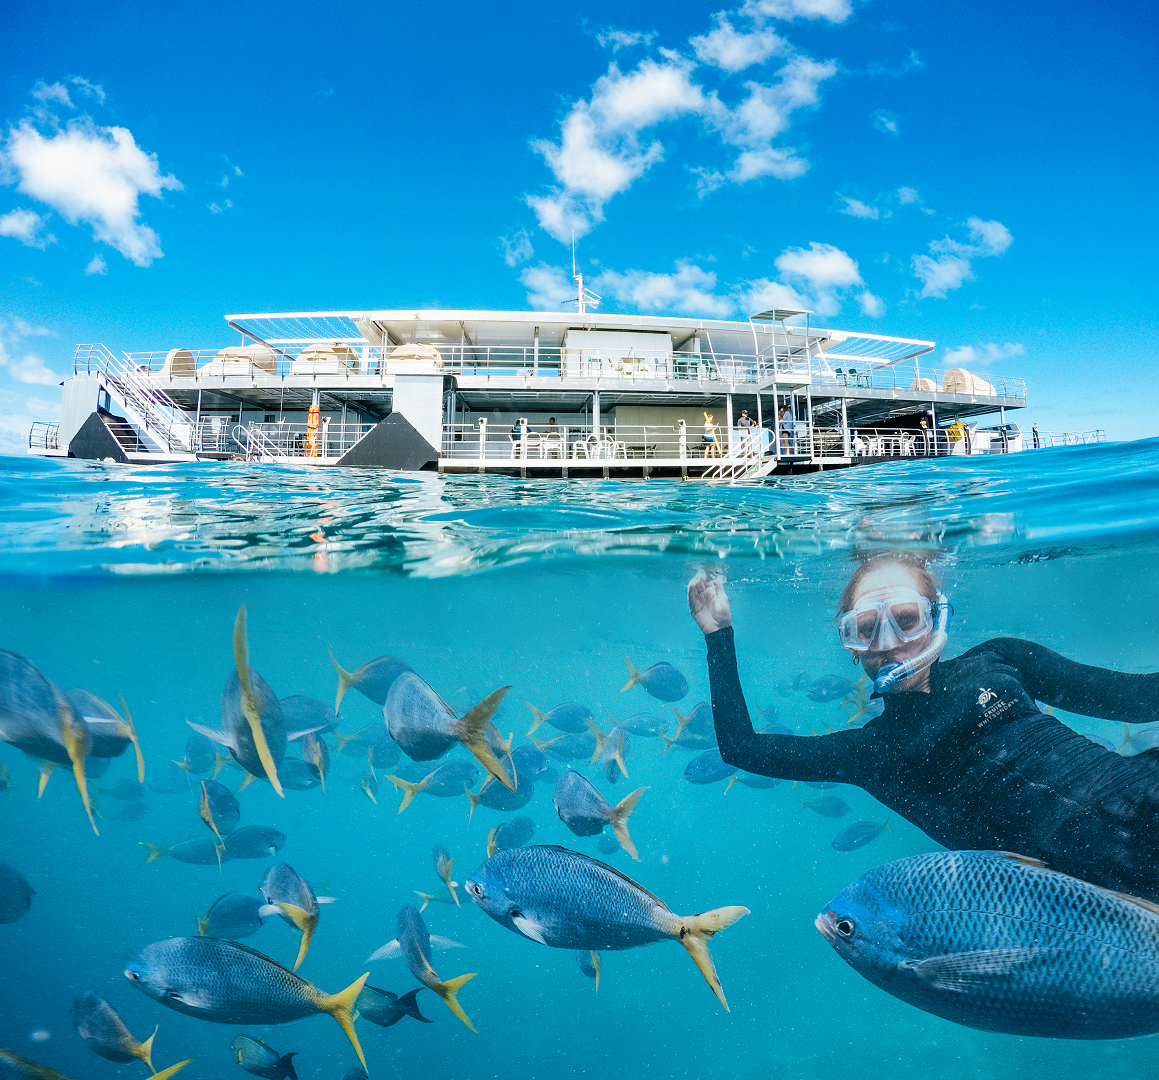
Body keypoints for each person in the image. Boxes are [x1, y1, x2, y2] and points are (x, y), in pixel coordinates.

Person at [687, 556, 1159, 899]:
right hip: (1103, 893)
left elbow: (1138, 698)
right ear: (850, 646)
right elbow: (742, 748)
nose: (889, 643)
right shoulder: (868, 752)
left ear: (936, 619)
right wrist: (718, 635)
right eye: (866, 628)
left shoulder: (1001, 659)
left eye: (906, 619)